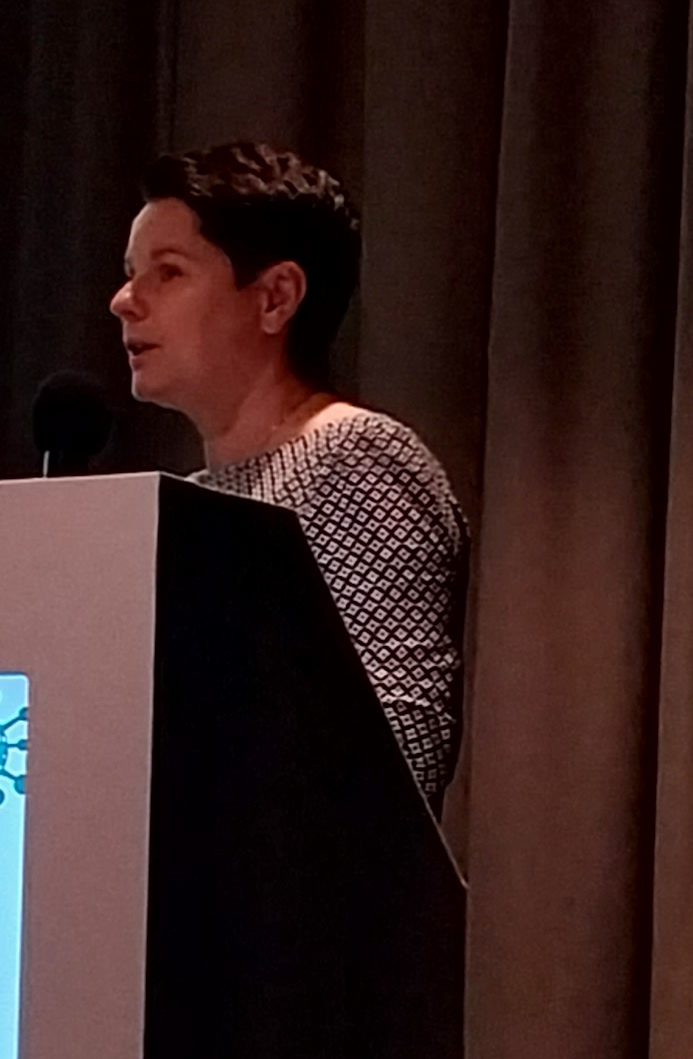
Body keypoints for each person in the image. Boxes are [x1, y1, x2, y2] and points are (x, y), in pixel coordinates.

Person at [109, 141, 466, 807]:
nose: (124, 301)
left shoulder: (358, 458)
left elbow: (397, 753)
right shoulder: (195, 497)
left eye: (168, 272)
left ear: (275, 297)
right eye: (131, 273)